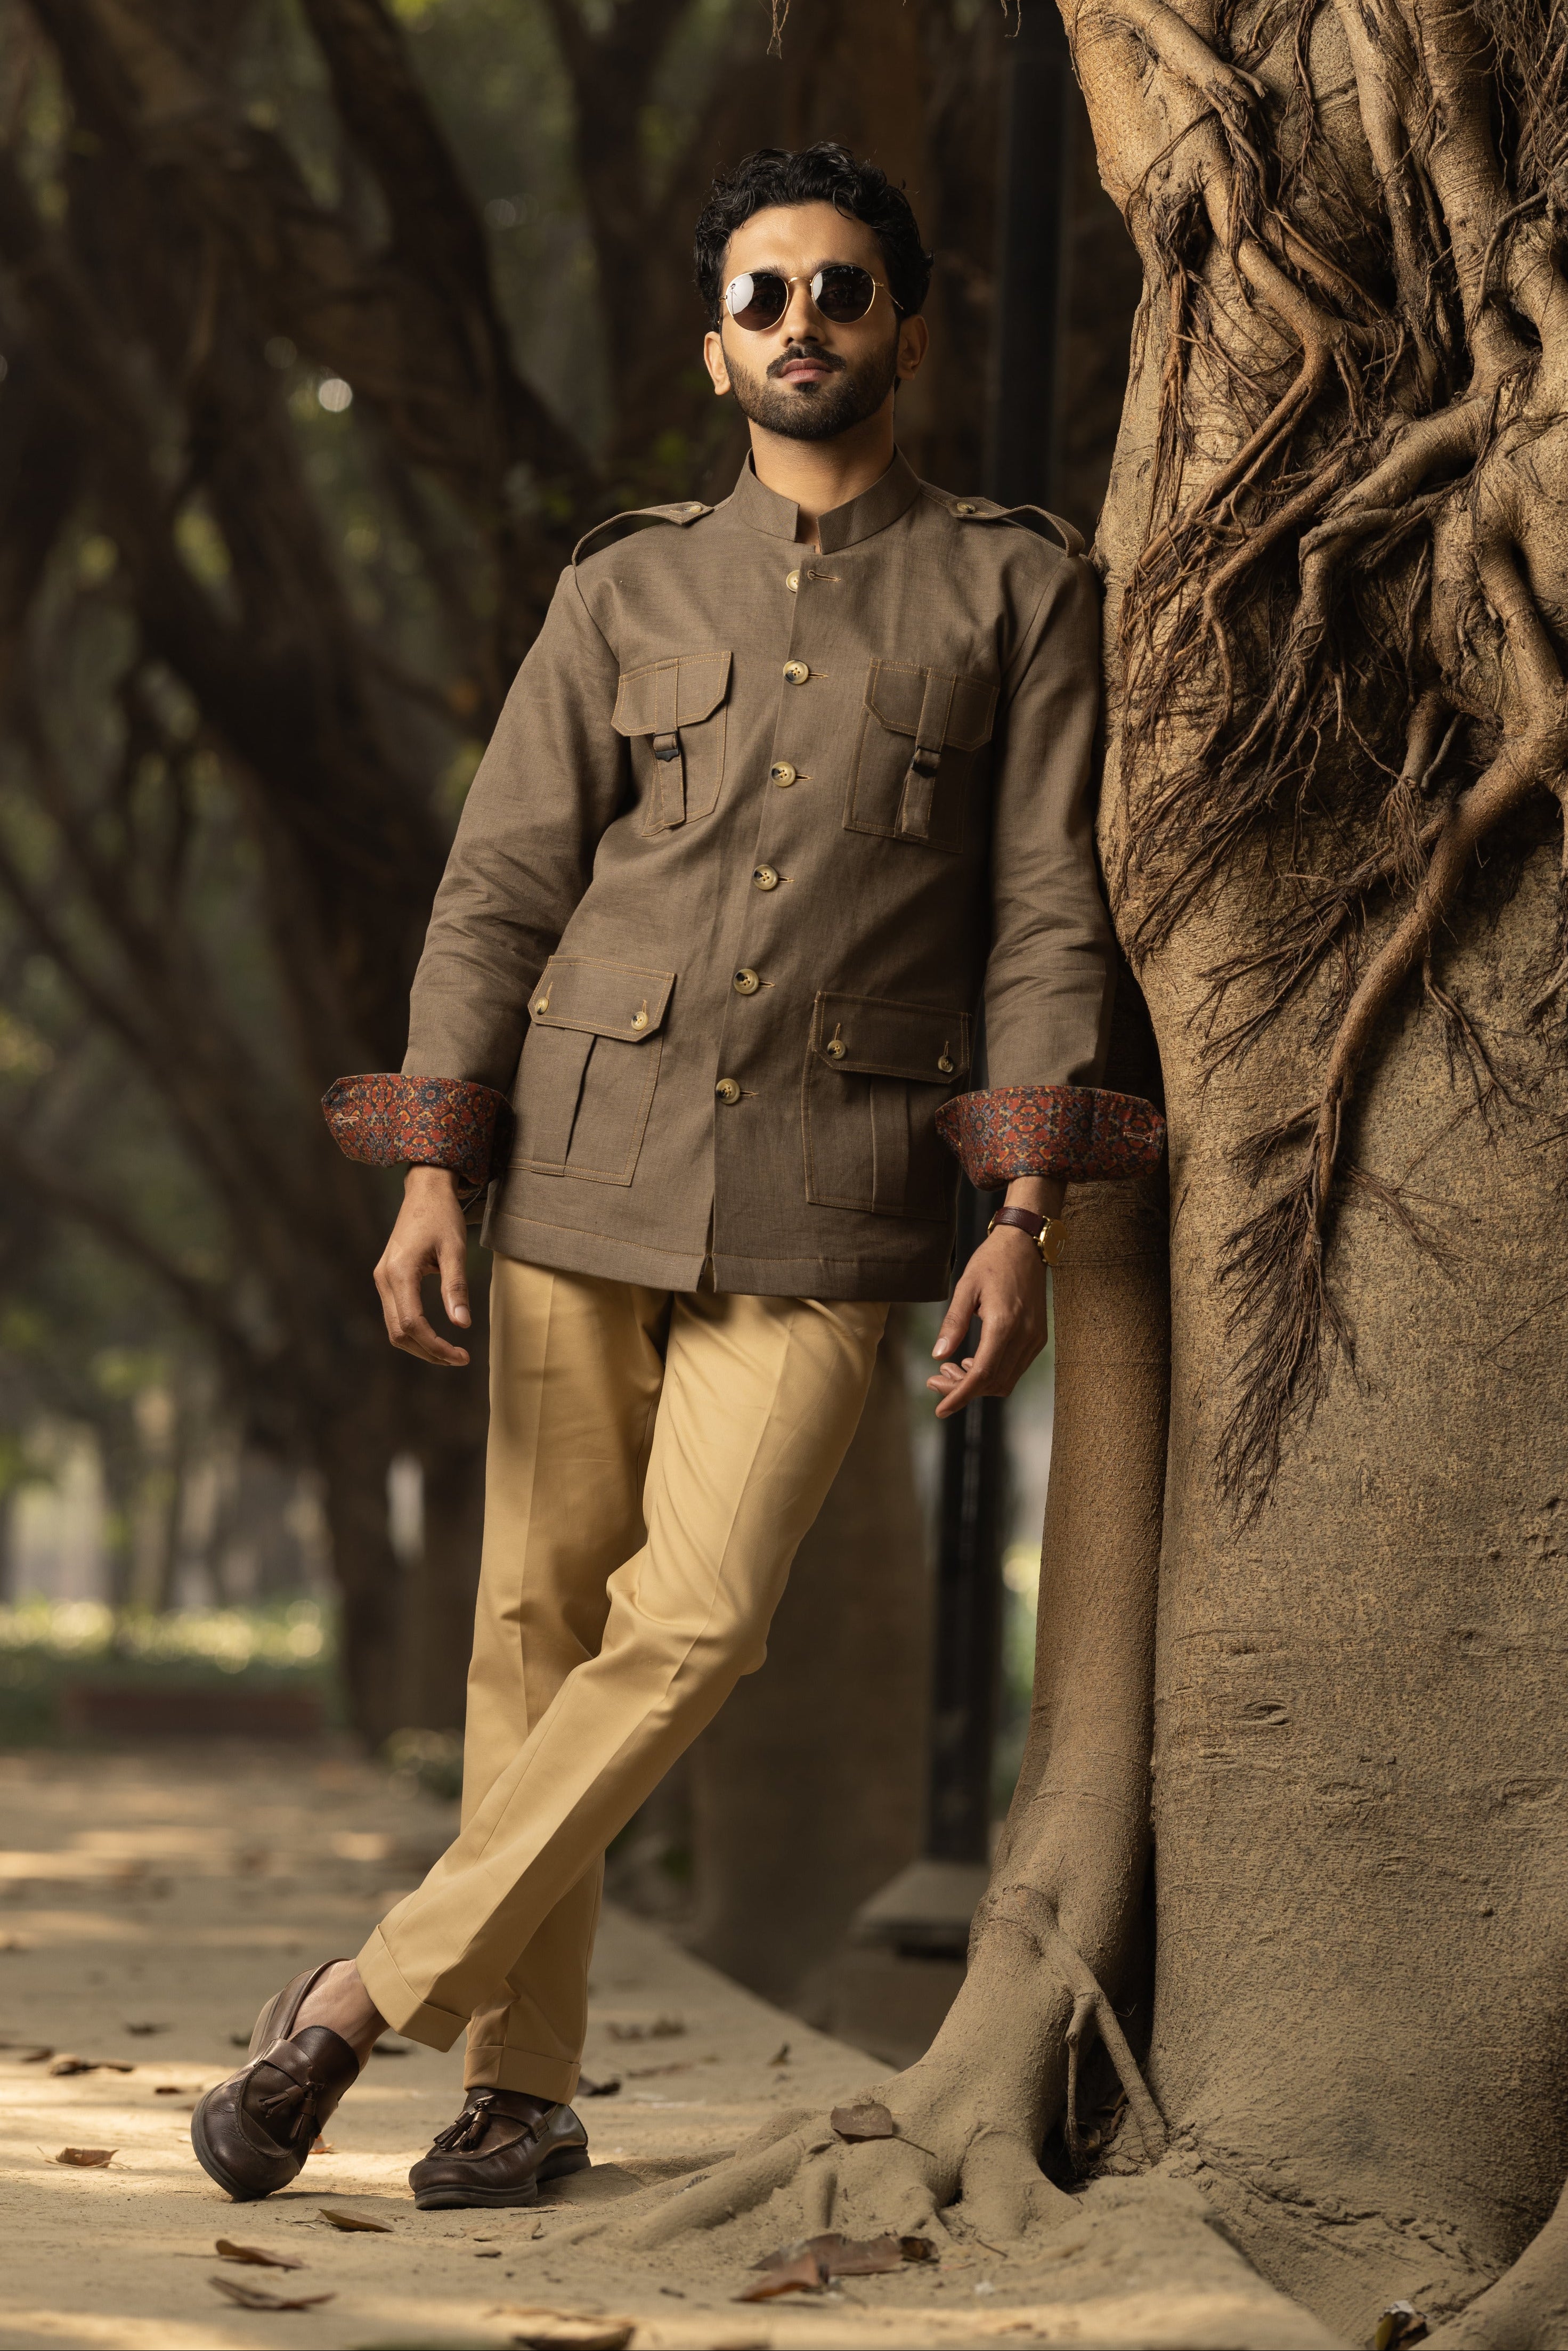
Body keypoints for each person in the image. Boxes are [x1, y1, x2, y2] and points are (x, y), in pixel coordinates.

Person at [192, 139, 1159, 2210]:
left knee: (698, 1621)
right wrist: (432, 1169)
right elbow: (500, 888)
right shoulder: (619, 588)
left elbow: (1041, 920)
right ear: (715, 348)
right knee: (534, 1630)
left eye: (838, 290)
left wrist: (1017, 1208)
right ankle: (520, 2097)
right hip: (573, 1176)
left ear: (904, 324)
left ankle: (359, 2003)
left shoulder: (1015, 585)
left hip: (836, 1204)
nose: (800, 322)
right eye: (761, 295)